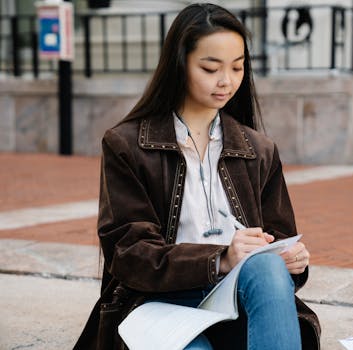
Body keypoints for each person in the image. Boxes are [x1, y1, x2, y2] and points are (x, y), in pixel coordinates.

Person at [74, 3, 320, 350]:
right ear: (179, 64)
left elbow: (277, 237)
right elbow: (129, 252)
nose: (227, 81)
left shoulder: (259, 150)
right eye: (210, 67)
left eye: (237, 67)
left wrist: (291, 260)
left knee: (267, 268)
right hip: (157, 301)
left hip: (238, 296)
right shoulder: (127, 145)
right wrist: (219, 258)